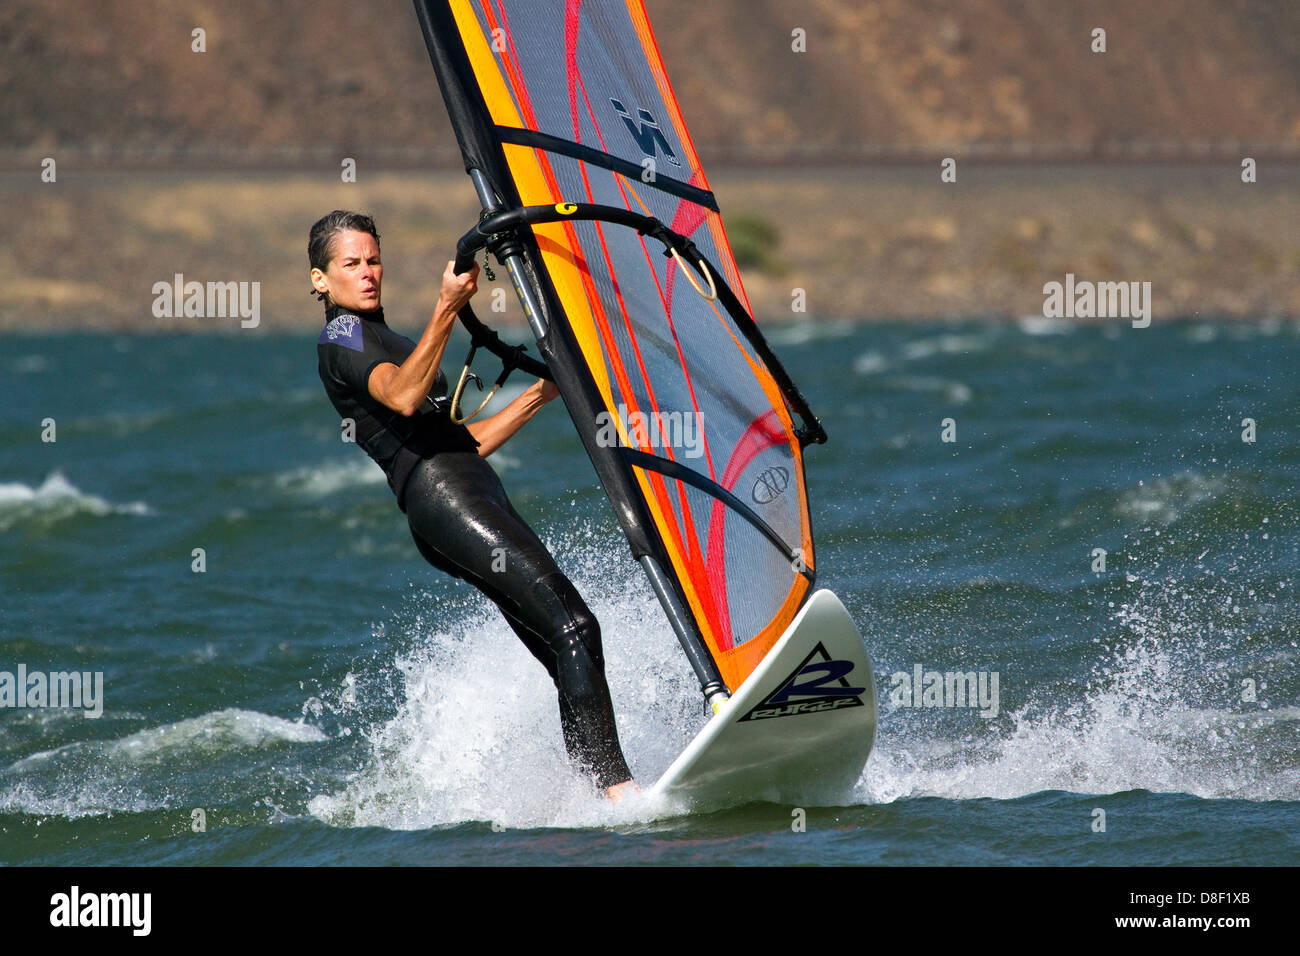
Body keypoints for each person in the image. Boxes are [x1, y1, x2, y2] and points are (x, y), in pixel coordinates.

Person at [309, 210, 636, 799]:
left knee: (565, 645)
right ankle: (620, 794)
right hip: (445, 498)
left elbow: (468, 441)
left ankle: (596, 796)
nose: (367, 274)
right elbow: (404, 397)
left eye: (373, 260)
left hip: (467, 486)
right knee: (575, 625)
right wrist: (447, 307)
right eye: (350, 264)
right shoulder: (342, 339)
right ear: (320, 280)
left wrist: (546, 390)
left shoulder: (389, 338)